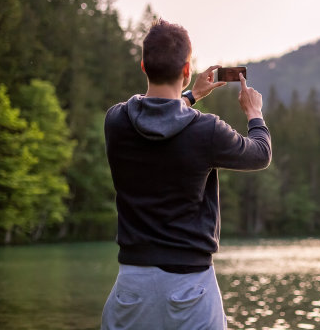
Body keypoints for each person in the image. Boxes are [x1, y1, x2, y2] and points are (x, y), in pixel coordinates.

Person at [101, 19, 272, 329]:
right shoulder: (205, 130)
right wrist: (253, 113)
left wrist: (191, 96)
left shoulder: (116, 120)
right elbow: (260, 154)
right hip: (191, 287)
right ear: (185, 70)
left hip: (132, 284)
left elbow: (157, 116)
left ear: (143, 66)